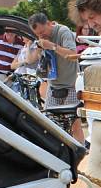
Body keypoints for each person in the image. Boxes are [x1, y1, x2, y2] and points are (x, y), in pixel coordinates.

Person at [27, 12, 84, 142]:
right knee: (50, 125)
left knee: (74, 125)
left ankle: (80, 153)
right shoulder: (42, 39)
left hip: (71, 85)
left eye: (43, 32)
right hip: (53, 86)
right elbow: (32, 60)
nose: (42, 36)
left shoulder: (63, 31)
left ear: (49, 23)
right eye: (38, 34)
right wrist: (39, 48)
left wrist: (52, 46)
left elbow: (73, 54)